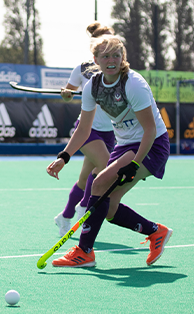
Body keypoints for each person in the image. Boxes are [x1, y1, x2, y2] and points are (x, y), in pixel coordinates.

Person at [46, 35, 172, 267]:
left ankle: (84, 252)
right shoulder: (93, 84)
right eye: (105, 56)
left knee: (99, 183)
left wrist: (134, 165)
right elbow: (83, 129)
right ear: (96, 59)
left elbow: (150, 129)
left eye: (116, 55)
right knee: (110, 207)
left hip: (151, 143)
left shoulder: (133, 84)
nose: (111, 60)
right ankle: (156, 232)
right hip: (125, 144)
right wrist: (64, 157)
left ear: (123, 57)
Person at [54, 22, 116, 236]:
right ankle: (86, 208)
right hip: (88, 130)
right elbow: (68, 92)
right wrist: (66, 94)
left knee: (85, 178)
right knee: (108, 168)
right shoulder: (83, 68)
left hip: (110, 132)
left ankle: (66, 215)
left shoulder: (118, 68)